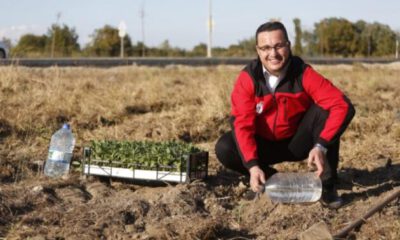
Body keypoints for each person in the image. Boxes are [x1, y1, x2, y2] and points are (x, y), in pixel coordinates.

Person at [215, 21, 355, 208]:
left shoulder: (302, 72)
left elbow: (342, 105)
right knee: (225, 146)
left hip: (299, 143)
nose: (273, 54)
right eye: (265, 48)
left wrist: (321, 145)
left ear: (288, 46)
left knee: (326, 110)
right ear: (258, 50)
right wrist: (252, 166)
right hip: (264, 146)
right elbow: (242, 124)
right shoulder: (248, 78)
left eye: (279, 46)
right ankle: (268, 179)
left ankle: (327, 185)